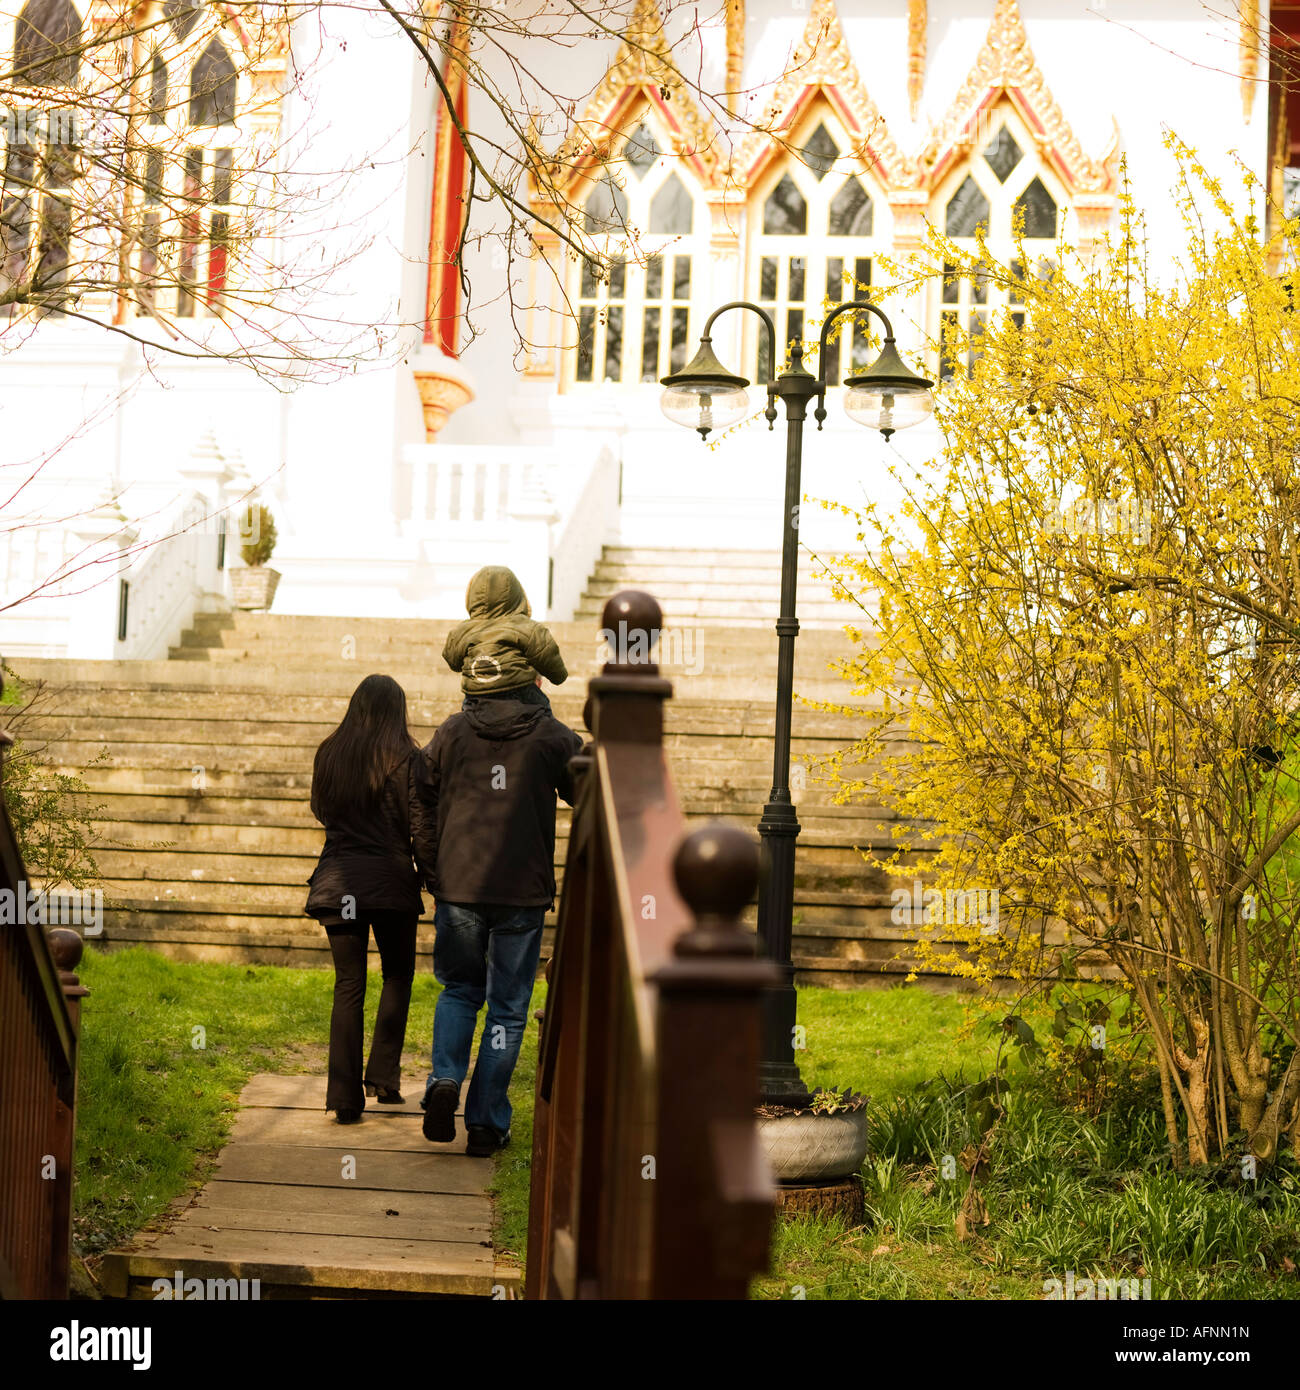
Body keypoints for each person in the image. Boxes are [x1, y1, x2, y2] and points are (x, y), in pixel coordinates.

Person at [415, 681, 583, 1155]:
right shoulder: (550, 735)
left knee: (459, 990)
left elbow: (419, 789)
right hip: (521, 892)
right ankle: (486, 1122)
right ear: (532, 684)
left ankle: (446, 1077)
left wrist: (433, 863)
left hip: (460, 885)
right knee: (507, 1008)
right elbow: (590, 791)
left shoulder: (452, 731)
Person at [305, 674, 435, 1124]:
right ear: (396, 710)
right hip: (392, 883)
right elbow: (420, 827)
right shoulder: (410, 758)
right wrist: (434, 877)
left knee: (348, 985)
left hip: (338, 879)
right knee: (397, 975)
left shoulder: (330, 752)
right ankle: (383, 1078)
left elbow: (320, 810)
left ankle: (343, 1096)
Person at [442, 565, 568, 709]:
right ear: (517, 595)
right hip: (520, 698)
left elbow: (453, 662)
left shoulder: (462, 631)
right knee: (543, 707)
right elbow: (558, 674)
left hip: (475, 700)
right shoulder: (530, 628)